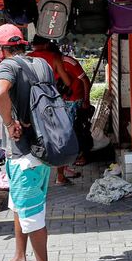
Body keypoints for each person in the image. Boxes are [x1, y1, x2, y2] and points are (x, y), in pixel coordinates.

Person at [0, 25, 54, 261]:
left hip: (25, 155)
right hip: (44, 150)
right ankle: (19, 260)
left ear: (1, 48)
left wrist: (8, 123)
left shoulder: (7, 66)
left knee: (32, 215)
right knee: (19, 206)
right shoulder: (42, 64)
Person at [28, 35, 75, 185]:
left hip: (31, 103)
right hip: (50, 104)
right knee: (58, 137)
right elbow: (67, 81)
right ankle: (60, 176)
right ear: (47, 44)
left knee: (34, 138)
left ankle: (36, 177)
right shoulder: (53, 57)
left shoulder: (26, 58)